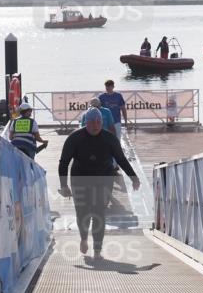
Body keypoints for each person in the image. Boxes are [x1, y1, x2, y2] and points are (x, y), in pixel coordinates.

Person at [59, 108, 141, 259]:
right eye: (92, 122)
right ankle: (84, 238)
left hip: (103, 179)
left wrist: (133, 177)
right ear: (85, 123)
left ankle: (97, 249)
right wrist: (64, 185)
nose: (95, 126)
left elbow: (121, 159)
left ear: (102, 123)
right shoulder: (75, 138)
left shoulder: (109, 138)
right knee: (82, 212)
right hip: (80, 179)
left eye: (98, 122)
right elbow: (64, 162)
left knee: (99, 213)